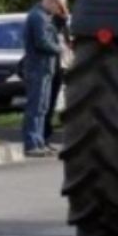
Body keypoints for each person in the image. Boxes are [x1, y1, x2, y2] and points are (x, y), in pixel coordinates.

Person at [21, 0, 68, 157]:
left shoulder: (46, 17)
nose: (58, 10)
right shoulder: (38, 17)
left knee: (43, 107)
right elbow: (41, 42)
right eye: (58, 6)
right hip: (37, 67)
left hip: (45, 68)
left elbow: (56, 30)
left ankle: (39, 141)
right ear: (52, 0)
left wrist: (63, 16)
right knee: (35, 106)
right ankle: (31, 143)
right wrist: (59, 49)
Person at [44, 9, 73, 148]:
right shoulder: (51, 28)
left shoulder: (65, 29)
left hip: (64, 68)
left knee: (54, 103)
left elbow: (69, 47)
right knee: (47, 104)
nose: (65, 19)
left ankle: (47, 135)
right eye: (63, 16)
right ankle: (44, 135)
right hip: (53, 69)